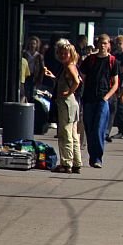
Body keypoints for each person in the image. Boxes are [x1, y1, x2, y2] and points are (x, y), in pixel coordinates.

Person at [80, 34, 119, 168]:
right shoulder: (90, 59)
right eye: (101, 43)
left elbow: (115, 83)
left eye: (105, 43)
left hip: (103, 99)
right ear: (97, 44)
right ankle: (92, 156)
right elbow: (82, 77)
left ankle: (98, 158)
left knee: (99, 129)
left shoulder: (113, 61)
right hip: (89, 98)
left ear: (109, 45)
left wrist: (106, 97)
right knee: (89, 128)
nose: (103, 45)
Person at [51, 40, 83, 174]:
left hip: (66, 103)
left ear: (71, 54)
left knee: (65, 133)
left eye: (66, 53)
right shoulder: (70, 66)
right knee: (74, 134)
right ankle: (76, 162)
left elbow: (77, 82)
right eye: (61, 53)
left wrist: (69, 92)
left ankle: (66, 163)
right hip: (71, 103)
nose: (63, 55)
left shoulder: (69, 66)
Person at [107, 35, 123, 142]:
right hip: (113, 83)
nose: (118, 46)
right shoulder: (114, 55)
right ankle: (115, 130)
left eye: (120, 43)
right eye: (116, 43)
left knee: (122, 108)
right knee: (113, 108)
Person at [22, 36, 44, 100]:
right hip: (26, 75)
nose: (32, 45)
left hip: (34, 76)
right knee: (25, 91)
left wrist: (40, 79)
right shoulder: (25, 54)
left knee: (33, 92)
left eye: (34, 44)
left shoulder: (39, 56)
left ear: (37, 45)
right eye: (31, 43)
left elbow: (42, 68)